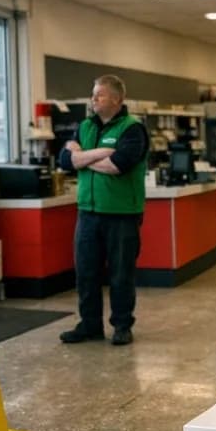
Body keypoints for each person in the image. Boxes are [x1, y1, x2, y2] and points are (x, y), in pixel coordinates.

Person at [57, 75, 149, 346]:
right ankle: (89, 325)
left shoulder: (133, 129)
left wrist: (82, 158)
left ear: (117, 100)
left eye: (100, 94)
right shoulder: (85, 126)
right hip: (88, 212)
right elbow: (65, 161)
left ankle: (122, 325)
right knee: (86, 272)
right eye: (93, 93)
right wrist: (100, 152)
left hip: (122, 213)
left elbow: (117, 165)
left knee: (121, 274)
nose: (93, 99)